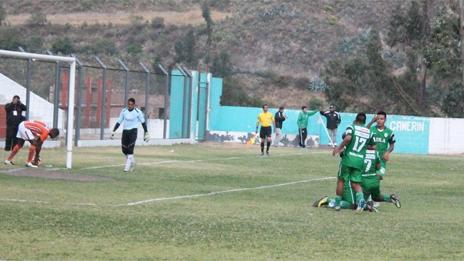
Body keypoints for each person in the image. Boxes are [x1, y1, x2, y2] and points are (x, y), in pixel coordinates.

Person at [332, 112, 374, 212]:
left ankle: (337, 204)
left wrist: (339, 148)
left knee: (341, 180)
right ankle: (361, 202)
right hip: (359, 160)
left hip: (349, 158)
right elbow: (373, 146)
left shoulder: (351, 127)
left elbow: (348, 138)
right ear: (364, 121)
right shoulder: (369, 132)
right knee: (356, 183)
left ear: (355, 120)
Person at [111, 98, 149, 172]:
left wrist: (146, 132)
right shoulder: (124, 111)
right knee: (124, 150)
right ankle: (132, 162)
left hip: (133, 131)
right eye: (129, 104)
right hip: (125, 131)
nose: (130, 106)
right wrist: (113, 131)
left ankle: (126, 168)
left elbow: (143, 123)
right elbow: (119, 121)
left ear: (134, 105)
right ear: (127, 104)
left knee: (130, 149)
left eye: (131, 104)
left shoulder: (138, 112)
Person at [367, 111, 396, 175]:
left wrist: (387, 152)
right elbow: (363, 131)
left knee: (379, 176)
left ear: (385, 120)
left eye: (381, 119)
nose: (379, 121)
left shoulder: (389, 132)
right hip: (370, 158)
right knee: (369, 178)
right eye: (378, 119)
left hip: (382, 159)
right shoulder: (371, 129)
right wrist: (372, 121)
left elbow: (392, 145)